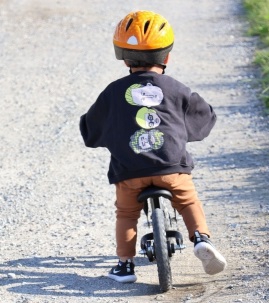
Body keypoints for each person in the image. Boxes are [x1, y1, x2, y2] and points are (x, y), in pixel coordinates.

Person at [79, 10, 227, 283]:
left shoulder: (113, 92)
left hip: (130, 171)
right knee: (187, 200)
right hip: (171, 167)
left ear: (123, 57)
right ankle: (201, 239)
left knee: (126, 214)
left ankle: (124, 266)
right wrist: (184, 134)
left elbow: (92, 126)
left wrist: (97, 135)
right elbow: (203, 117)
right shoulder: (177, 89)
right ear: (167, 56)